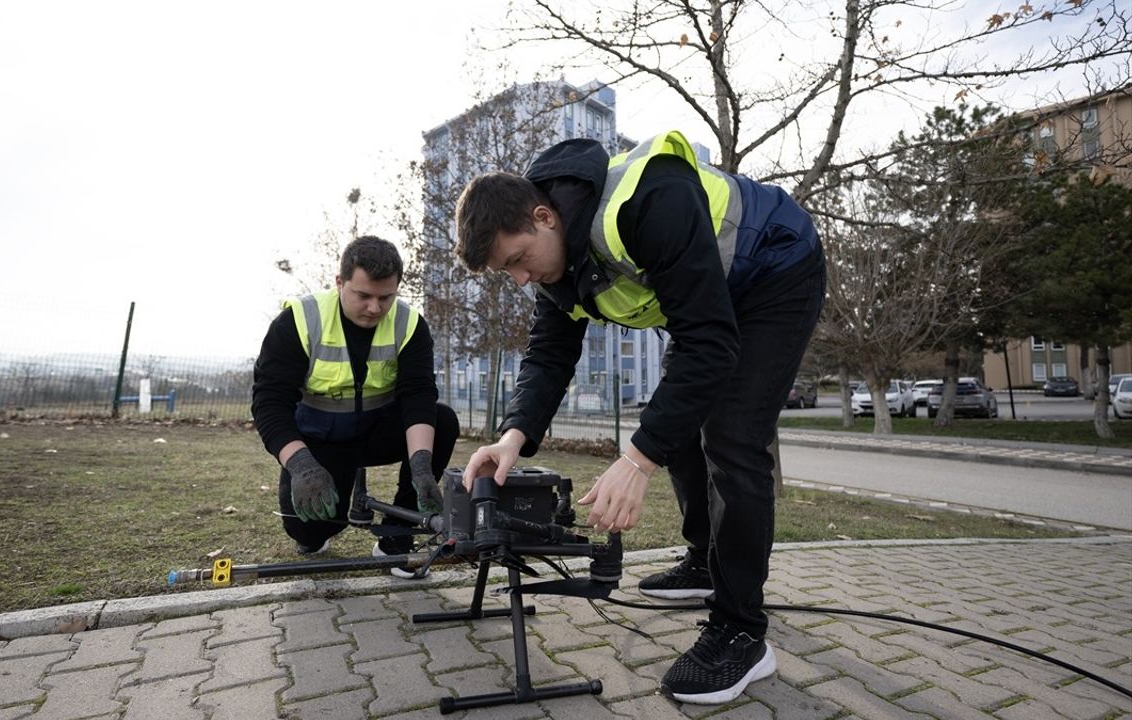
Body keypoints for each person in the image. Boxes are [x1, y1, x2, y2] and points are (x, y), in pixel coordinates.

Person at [455, 130, 825, 704]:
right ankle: (705, 562)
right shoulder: (558, 264)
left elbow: (711, 345)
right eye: (509, 273)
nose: (522, 278)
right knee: (675, 421)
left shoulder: (650, 199)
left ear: (544, 216)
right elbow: (549, 354)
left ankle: (741, 633)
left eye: (518, 261)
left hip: (776, 267)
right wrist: (513, 438)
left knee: (731, 436)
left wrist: (636, 460)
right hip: (710, 304)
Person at [252, 235, 459, 578]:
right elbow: (269, 403)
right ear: (339, 283)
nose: (375, 308)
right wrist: (301, 465)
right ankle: (318, 521)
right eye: (363, 295)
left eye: (385, 297)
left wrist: (422, 466)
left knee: (443, 419)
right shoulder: (298, 321)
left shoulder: (409, 325)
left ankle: (396, 538)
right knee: (310, 531)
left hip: (378, 432)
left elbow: (418, 395)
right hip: (321, 441)